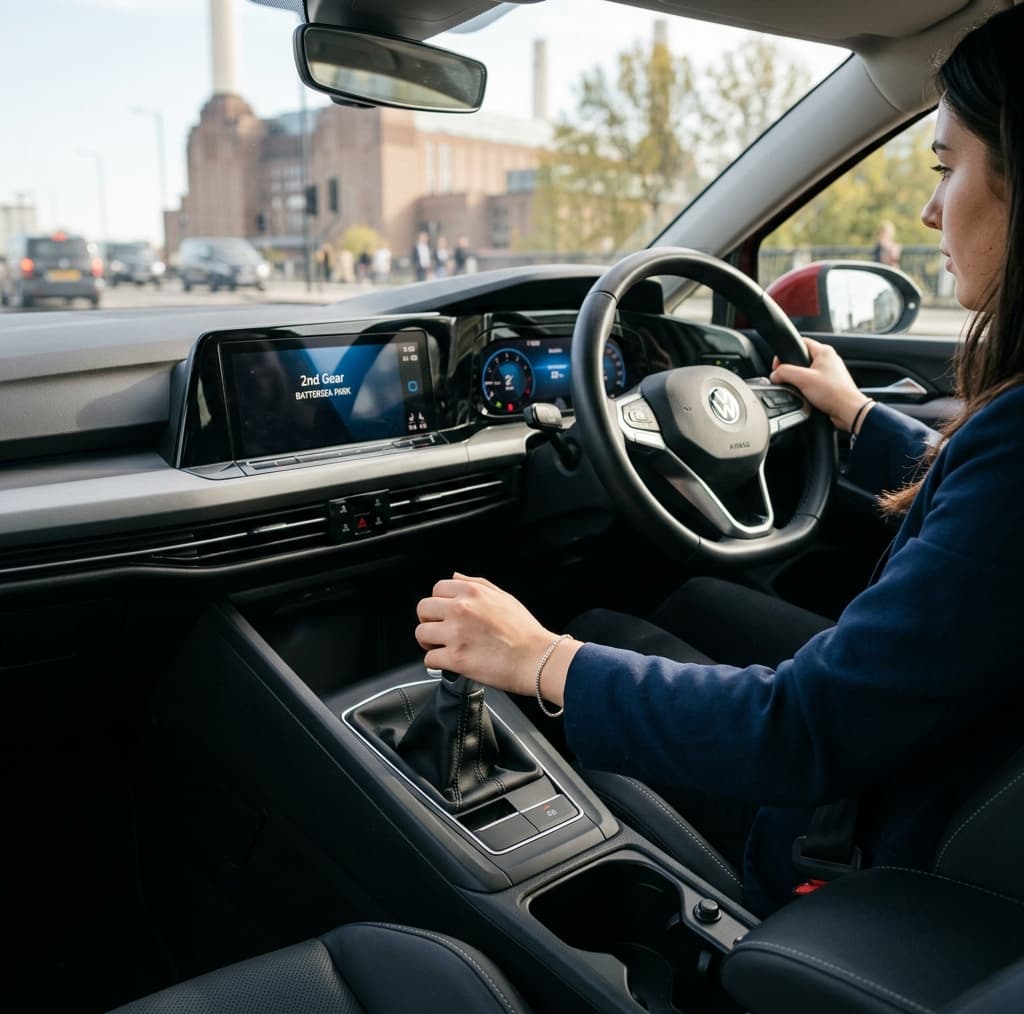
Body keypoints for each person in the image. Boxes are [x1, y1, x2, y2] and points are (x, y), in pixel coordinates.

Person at [414, 5, 1024, 917]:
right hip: (945, 771)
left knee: (592, 635)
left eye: (947, 166)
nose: (930, 207)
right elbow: (973, 521)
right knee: (687, 601)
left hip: (867, 852)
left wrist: (540, 658)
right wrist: (858, 416)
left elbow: (802, 731)